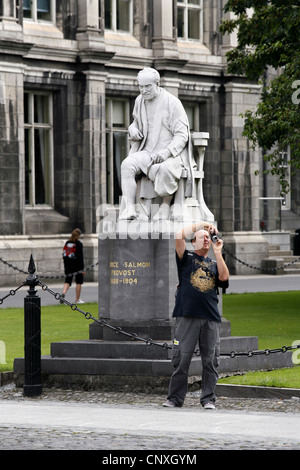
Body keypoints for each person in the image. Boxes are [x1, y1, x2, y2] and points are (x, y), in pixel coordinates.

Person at [163, 221, 230, 410]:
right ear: (194, 242)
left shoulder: (215, 263)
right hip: (187, 316)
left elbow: (224, 278)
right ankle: (175, 399)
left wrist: (218, 251)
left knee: (210, 361)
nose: (207, 239)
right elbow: (178, 235)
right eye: (202, 237)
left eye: (208, 237)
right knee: (181, 359)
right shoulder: (186, 258)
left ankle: (208, 399)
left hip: (210, 317)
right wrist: (201, 225)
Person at [119, 67, 195, 220]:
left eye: (148, 87)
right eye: (141, 87)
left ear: (157, 84)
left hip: (171, 153)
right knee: (126, 165)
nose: (144, 90)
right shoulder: (139, 101)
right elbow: (136, 123)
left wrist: (166, 152)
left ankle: (165, 205)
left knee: (164, 168)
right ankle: (130, 209)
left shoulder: (172, 103)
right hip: (147, 151)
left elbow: (182, 135)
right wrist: (132, 129)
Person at [61, 228, 85, 304]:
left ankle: (63, 293)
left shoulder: (67, 243)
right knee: (78, 282)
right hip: (77, 266)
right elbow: (80, 257)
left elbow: (64, 255)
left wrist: (66, 266)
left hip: (68, 265)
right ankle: (77, 299)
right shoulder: (79, 244)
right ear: (78, 235)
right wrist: (82, 269)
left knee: (67, 281)